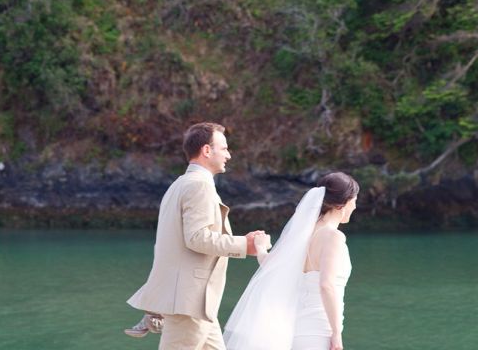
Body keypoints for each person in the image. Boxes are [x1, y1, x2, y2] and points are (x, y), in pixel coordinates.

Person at [124, 121, 268, 349]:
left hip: (195, 301)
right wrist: (245, 245)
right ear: (207, 150)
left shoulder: (180, 184)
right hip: (189, 301)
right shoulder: (199, 186)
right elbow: (197, 238)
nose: (229, 155)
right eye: (224, 148)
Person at [223, 171, 358, 350]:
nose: (355, 206)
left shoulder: (302, 234)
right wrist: (336, 333)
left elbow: (273, 266)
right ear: (342, 204)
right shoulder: (333, 237)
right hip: (319, 331)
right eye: (354, 200)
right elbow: (327, 285)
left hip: (293, 329)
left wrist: (261, 248)